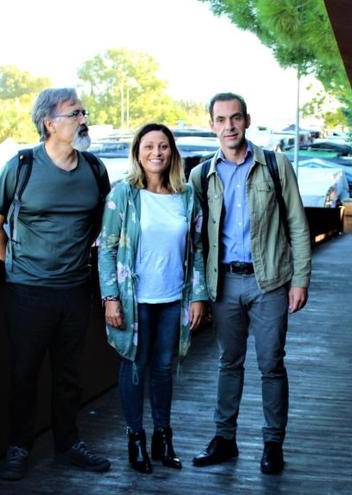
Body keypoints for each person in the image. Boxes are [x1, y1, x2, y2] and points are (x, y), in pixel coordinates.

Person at [0, 87, 111, 481]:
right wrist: (15, 268)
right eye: (75, 114)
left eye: (83, 112)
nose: (83, 119)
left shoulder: (94, 169)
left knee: (69, 374)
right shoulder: (21, 165)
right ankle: (19, 447)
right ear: (49, 123)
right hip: (28, 292)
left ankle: (68, 444)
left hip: (75, 290)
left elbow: (105, 229)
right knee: (24, 374)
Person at [189, 92, 312, 475]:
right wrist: (198, 291)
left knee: (271, 364)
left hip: (269, 281)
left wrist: (300, 279)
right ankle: (225, 439)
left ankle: (273, 443)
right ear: (212, 125)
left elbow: (297, 223)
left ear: (247, 120)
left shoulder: (275, 165)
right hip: (224, 283)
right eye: (221, 120)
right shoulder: (201, 175)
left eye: (235, 118)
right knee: (229, 362)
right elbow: (195, 238)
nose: (229, 126)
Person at [98, 123, 209, 474]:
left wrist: (198, 296)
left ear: (172, 153)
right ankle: (136, 439)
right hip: (135, 299)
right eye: (149, 146)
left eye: (163, 146)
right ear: (137, 152)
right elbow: (107, 248)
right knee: (134, 366)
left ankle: (163, 437)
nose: (156, 153)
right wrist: (110, 297)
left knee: (164, 369)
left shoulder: (187, 196)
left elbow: (198, 248)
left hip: (174, 296)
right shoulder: (123, 195)